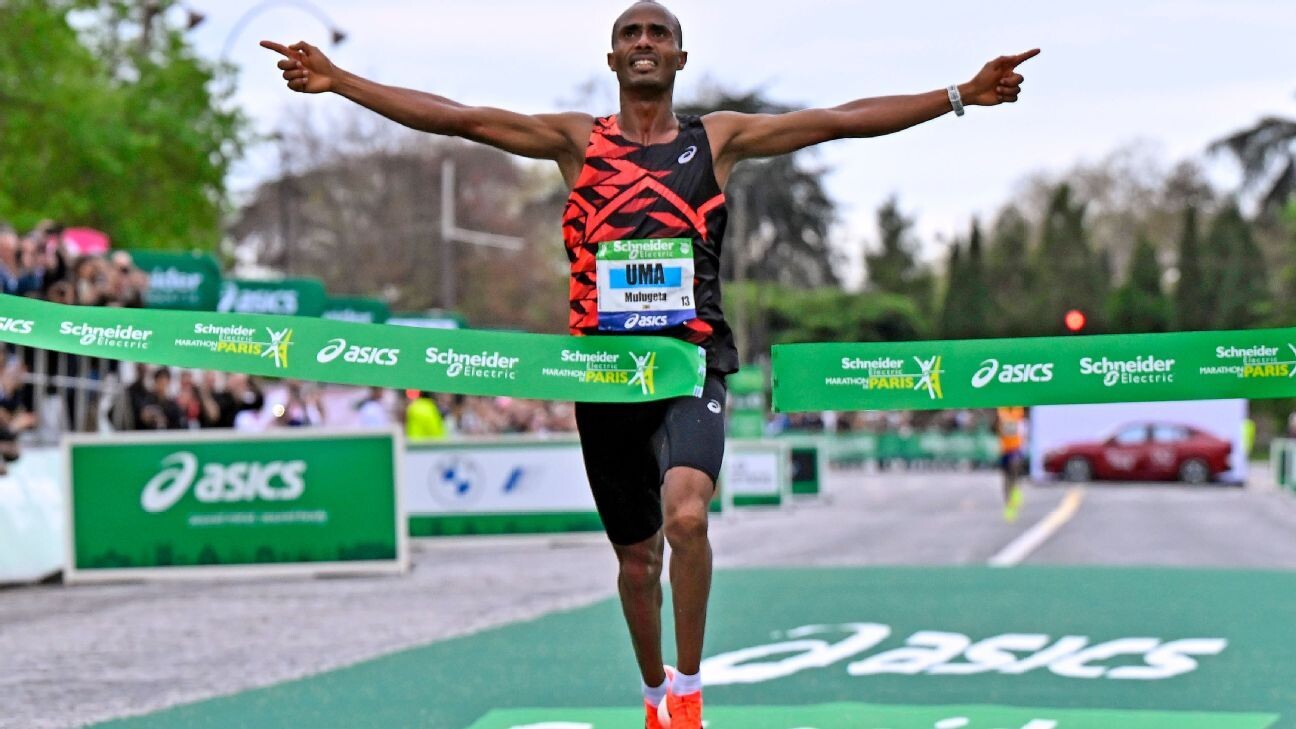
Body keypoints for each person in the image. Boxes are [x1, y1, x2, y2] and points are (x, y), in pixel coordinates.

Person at [263, 6, 1036, 725]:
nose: (643, 41)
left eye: (658, 33)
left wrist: (959, 95)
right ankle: (654, 694)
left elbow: (835, 121)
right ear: (611, 59)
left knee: (687, 517)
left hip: (690, 364)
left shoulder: (716, 141)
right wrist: (340, 81)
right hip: (604, 375)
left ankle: (690, 693)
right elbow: (460, 118)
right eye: (630, 33)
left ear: (679, 58)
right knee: (638, 564)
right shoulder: (576, 142)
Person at [995, 406, 1028, 522]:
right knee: (1006, 477)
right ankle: (1008, 504)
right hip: (1004, 449)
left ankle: (1016, 490)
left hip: (1016, 447)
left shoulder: (1018, 410)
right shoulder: (1001, 410)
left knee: (1015, 469)